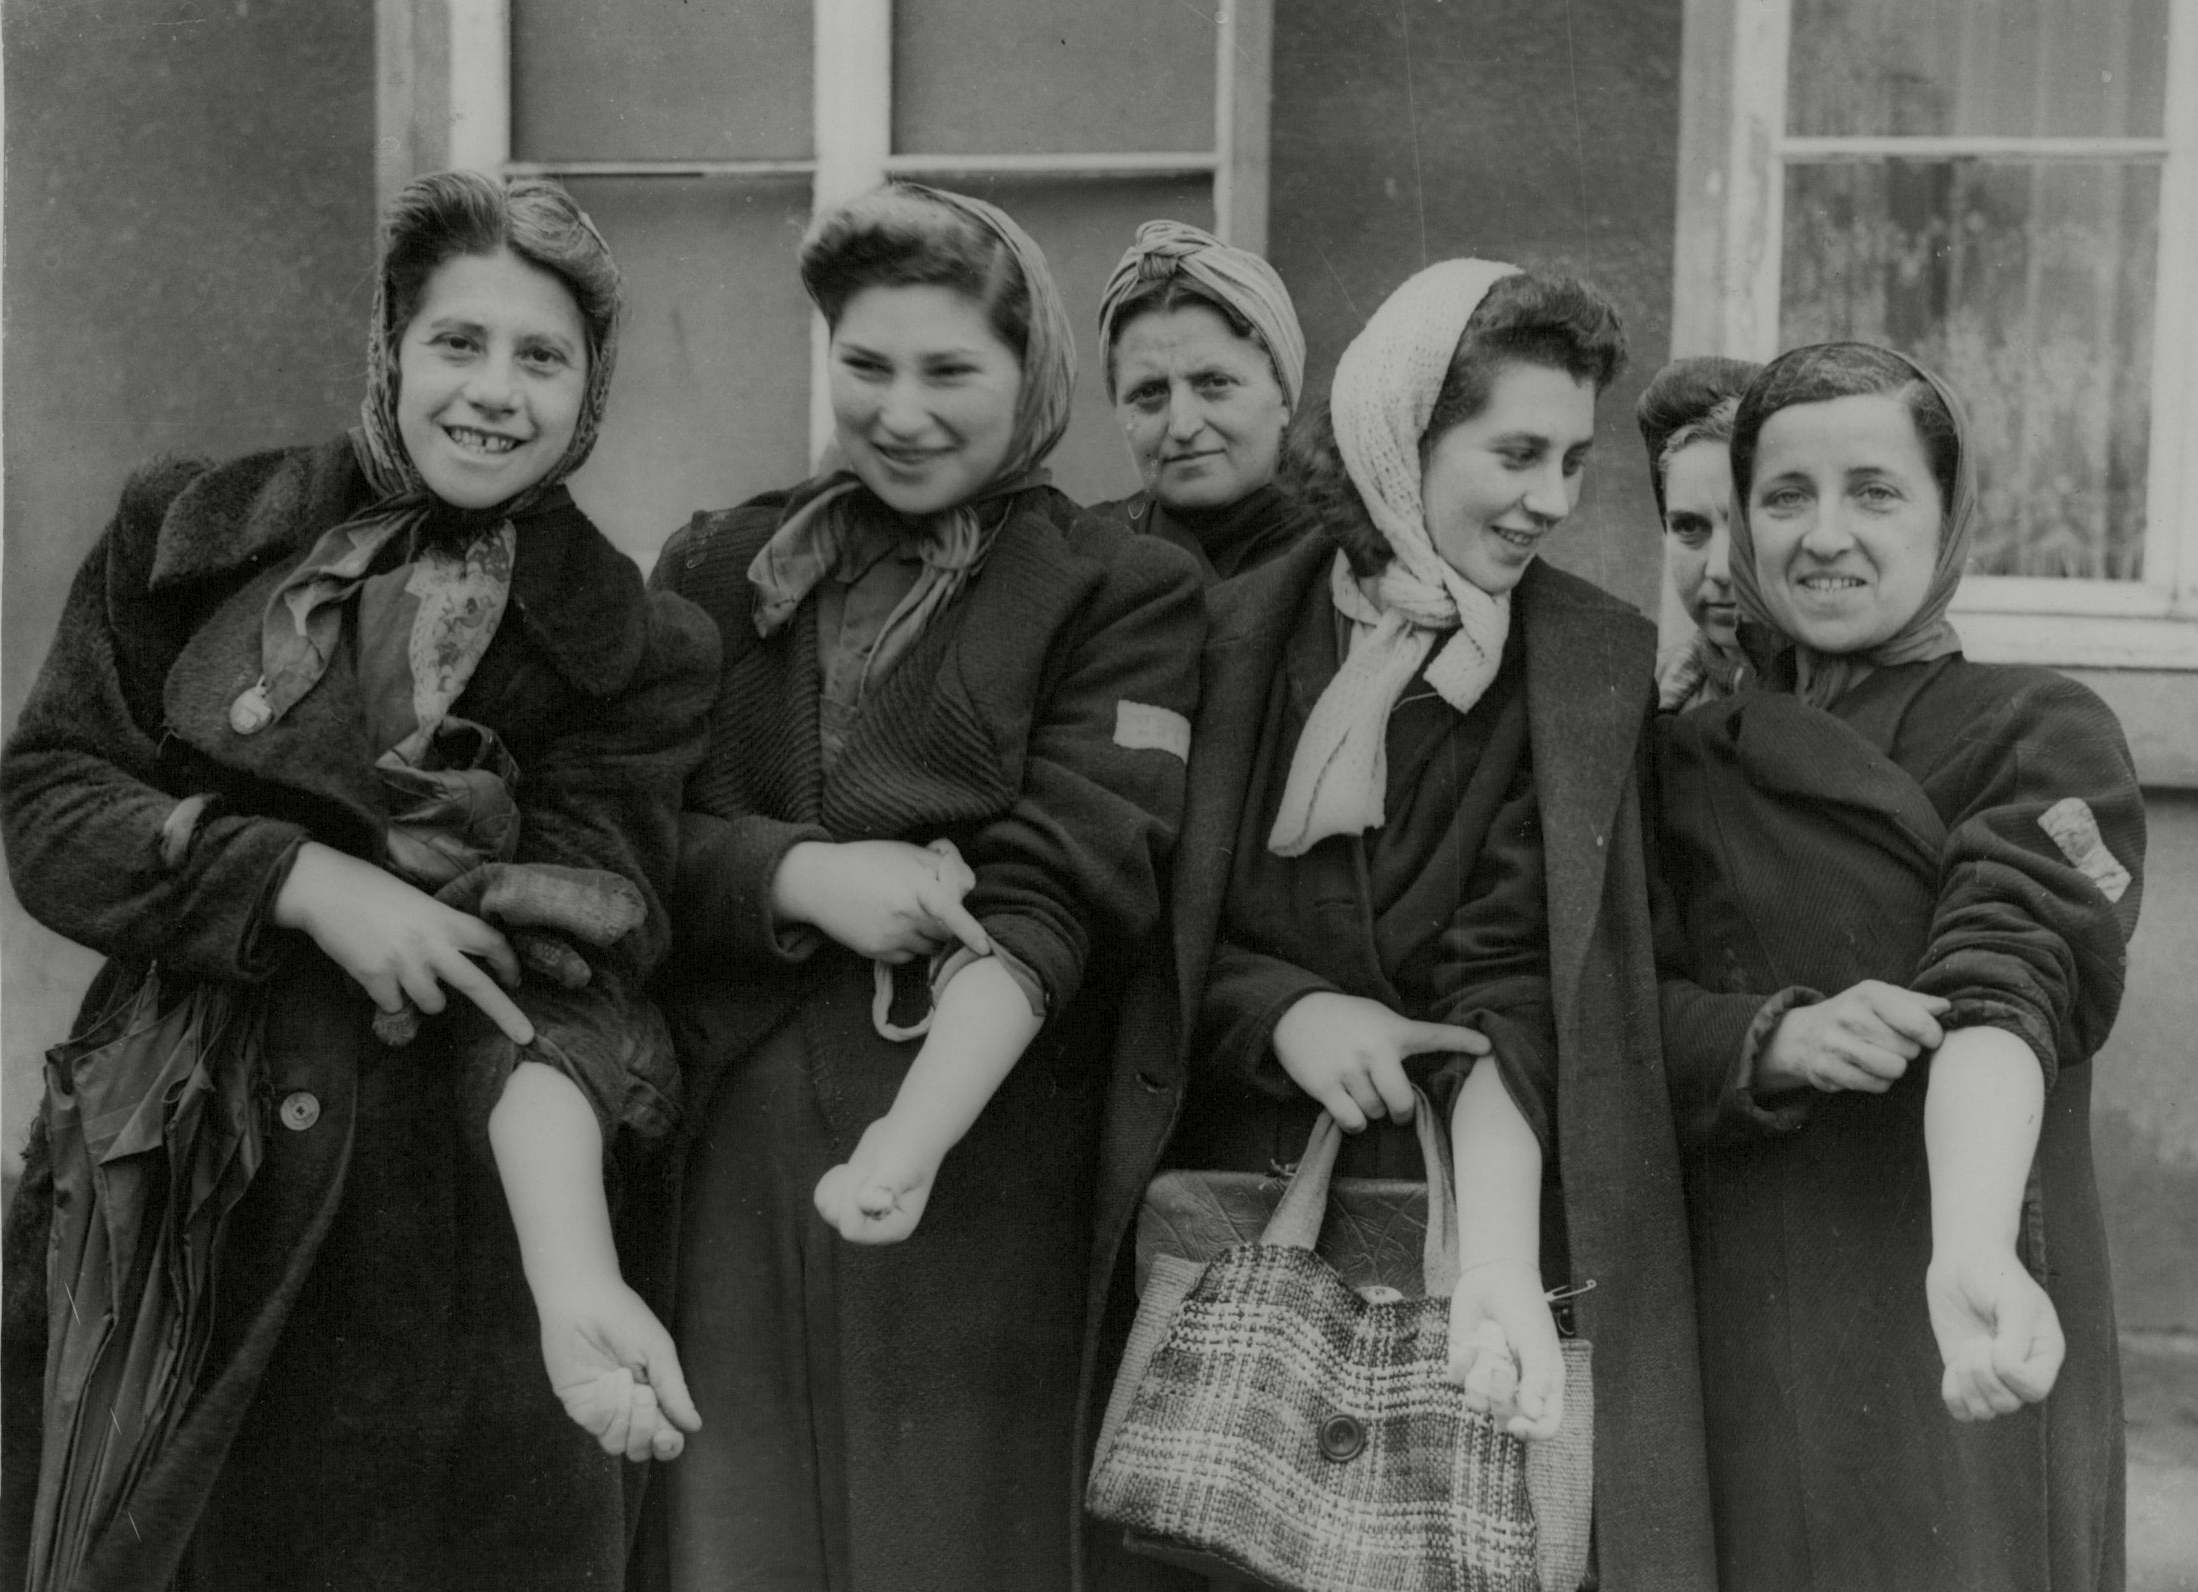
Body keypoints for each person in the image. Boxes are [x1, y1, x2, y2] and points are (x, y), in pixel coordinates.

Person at [0, 170, 719, 1591]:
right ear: (392, 349)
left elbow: (584, 964)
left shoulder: (636, 648)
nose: (494, 394)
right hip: (172, 1185)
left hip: (437, 1223)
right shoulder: (187, 534)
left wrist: (572, 1275)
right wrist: (297, 880)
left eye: (542, 357)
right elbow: (52, 804)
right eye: (459, 343)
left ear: (591, 391)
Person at [1084, 260, 1716, 1590]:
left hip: (1477, 1204)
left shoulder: (1584, 674)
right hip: (1233, 1225)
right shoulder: (1218, 636)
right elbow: (1138, 918)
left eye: (1571, 461)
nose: (1549, 500)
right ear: (1399, 433)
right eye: (1513, 453)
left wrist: (1493, 1266)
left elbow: (1520, 976)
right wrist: (1286, 1014)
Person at [644, 181, 1204, 1592]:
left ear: (1032, 379)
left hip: (977, 1138)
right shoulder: (722, 563)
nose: (901, 411)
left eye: (950, 371)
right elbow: (626, 835)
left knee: (944, 1546)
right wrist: (805, 872)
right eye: (865, 364)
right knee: (737, 1544)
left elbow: (1065, 885)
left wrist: (911, 1141)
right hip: (736, 1133)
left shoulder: (1115, 587)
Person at [1656, 341, 2143, 1590]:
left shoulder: (2037, 726)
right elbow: (1612, 1010)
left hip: (1951, 1288)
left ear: (1944, 514)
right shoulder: (1677, 758)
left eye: (1873, 491)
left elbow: (2008, 973)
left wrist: (1970, 1243)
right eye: (1783, 496)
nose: (1823, 535)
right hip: (1749, 1301)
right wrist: (1766, 1036)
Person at [1089, 220, 1307, 580]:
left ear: (1282, 394)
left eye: (1215, 383)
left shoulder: (1348, 562)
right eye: (1149, 393)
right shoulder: (1079, 558)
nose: (1182, 425)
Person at [1636, 354, 1760, 710]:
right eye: (1689, 527)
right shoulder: (1647, 699)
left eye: (1745, 527)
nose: (1720, 570)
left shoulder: (1863, 702)